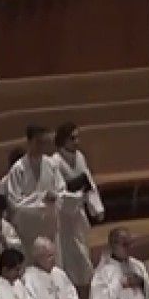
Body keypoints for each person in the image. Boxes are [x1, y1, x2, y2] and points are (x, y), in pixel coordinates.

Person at [51, 122, 106, 287]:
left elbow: (88, 182)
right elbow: (59, 191)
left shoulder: (80, 157)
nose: (77, 141)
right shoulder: (55, 161)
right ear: (63, 140)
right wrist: (76, 195)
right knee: (67, 253)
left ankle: (84, 284)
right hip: (63, 215)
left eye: (77, 137)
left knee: (82, 249)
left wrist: (97, 208)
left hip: (78, 213)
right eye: (72, 138)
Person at [0, 127, 65, 257]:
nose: (42, 146)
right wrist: (41, 199)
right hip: (28, 228)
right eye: (38, 142)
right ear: (29, 142)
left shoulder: (51, 164)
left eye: (44, 142)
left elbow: (61, 190)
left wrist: (55, 197)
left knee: (53, 260)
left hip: (49, 223)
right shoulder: (18, 169)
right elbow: (15, 202)